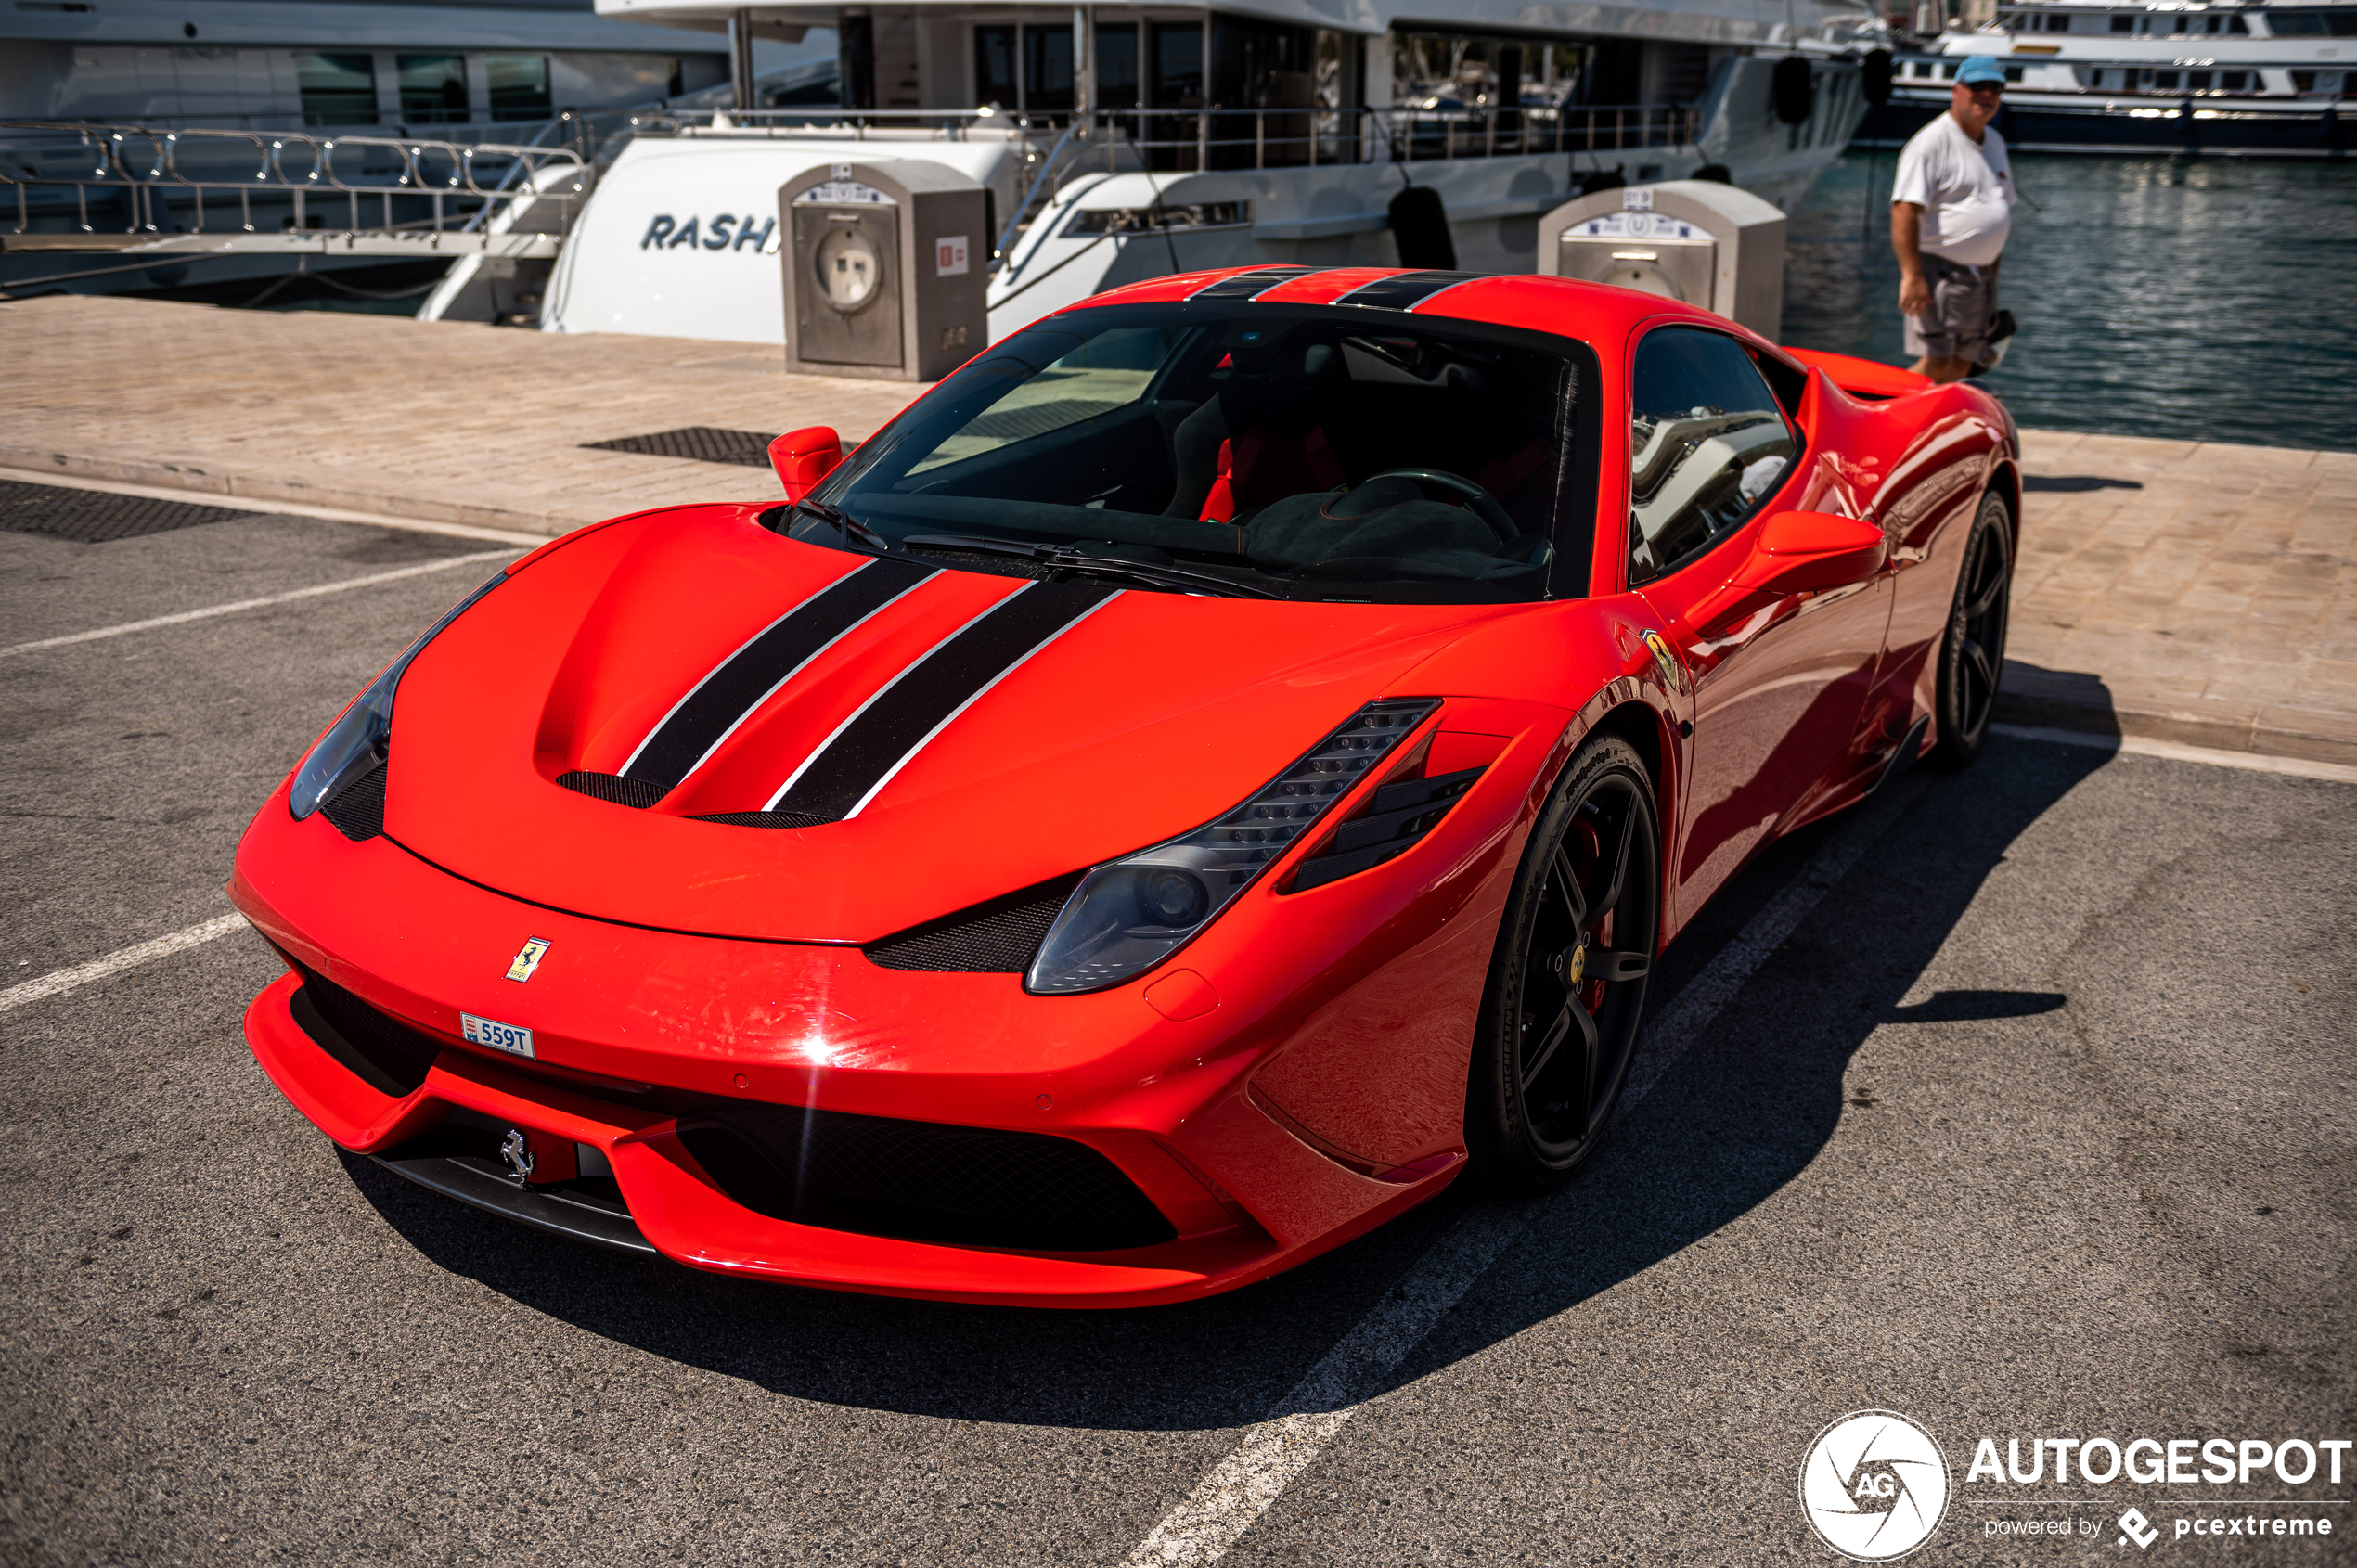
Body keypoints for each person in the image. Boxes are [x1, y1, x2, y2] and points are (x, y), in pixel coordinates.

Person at [1889, 57, 2016, 383]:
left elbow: (1999, 208)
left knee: (1963, 361)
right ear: (1956, 91)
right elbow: (1904, 209)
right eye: (1977, 87)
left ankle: (1936, 426)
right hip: (1937, 273)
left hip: (1979, 276)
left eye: (1995, 88)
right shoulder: (1931, 143)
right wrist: (1911, 276)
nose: (1986, 94)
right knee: (1934, 360)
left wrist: (1993, 277)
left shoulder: (1995, 142)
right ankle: (1882, 417)